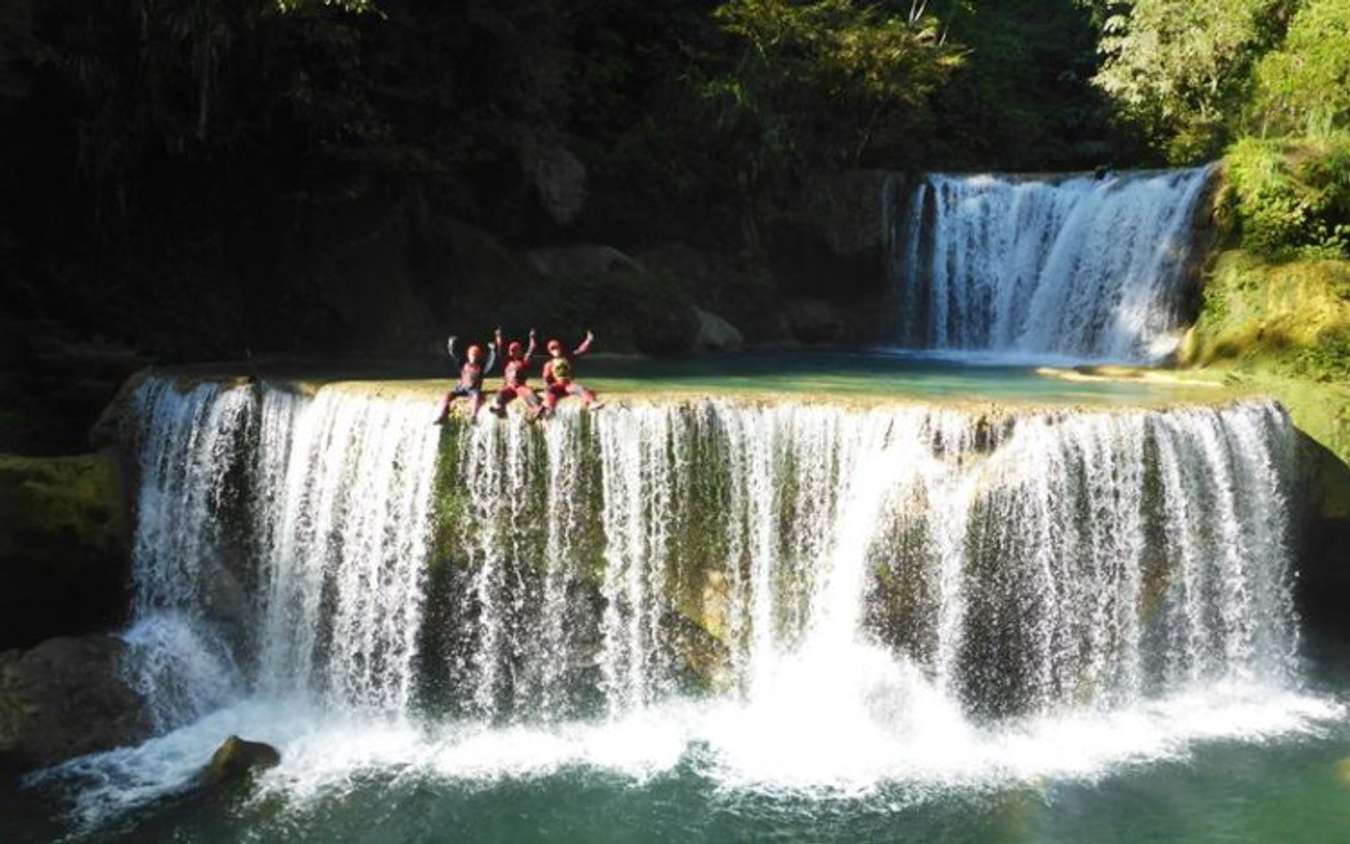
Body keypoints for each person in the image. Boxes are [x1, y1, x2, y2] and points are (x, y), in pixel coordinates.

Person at [538, 330, 603, 418]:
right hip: (558, 385)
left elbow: (580, 351)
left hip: (568, 384)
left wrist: (588, 341)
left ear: (560, 348)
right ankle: (549, 409)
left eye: (556, 347)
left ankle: (592, 402)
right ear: (549, 351)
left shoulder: (568, 357)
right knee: (550, 392)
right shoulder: (549, 364)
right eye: (552, 349)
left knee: (580, 388)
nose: (555, 350)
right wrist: (547, 387)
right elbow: (545, 378)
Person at [433, 334, 495, 424]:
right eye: (472, 354)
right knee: (447, 395)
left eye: (476, 354)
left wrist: (492, 351)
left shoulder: (481, 367)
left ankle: (474, 416)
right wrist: (451, 345)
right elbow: (454, 355)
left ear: (479, 356)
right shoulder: (463, 364)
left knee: (477, 396)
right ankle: (443, 415)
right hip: (461, 389)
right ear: (468, 355)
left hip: (473, 390)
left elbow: (491, 363)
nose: (474, 356)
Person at [488, 327, 544, 419]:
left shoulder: (524, 361)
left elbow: (532, 349)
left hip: (519, 386)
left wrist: (532, 337)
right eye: (511, 350)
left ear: (519, 351)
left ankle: (537, 407)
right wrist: (498, 336)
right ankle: (499, 408)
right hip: (509, 386)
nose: (512, 352)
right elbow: (499, 349)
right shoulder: (506, 362)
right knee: (500, 393)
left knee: (528, 392)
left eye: (515, 350)